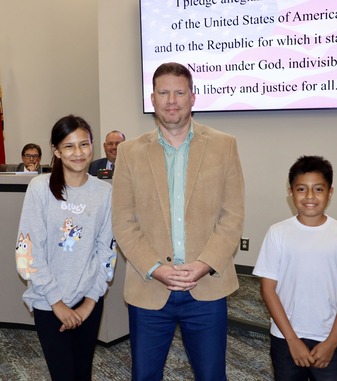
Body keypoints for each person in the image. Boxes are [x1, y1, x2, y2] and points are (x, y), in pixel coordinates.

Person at [112, 62, 245, 381]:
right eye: (163, 92)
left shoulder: (224, 145)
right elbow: (122, 221)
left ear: (193, 97)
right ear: (153, 99)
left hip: (206, 286)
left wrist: (202, 264)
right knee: (144, 376)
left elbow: (233, 217)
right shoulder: (129, 152)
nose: (172, 100)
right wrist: (157, 268)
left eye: (179, 92)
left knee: (212, 375)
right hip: (149, 287)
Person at [16, 115, 116, 381]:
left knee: (83, 373)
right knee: (63, 375)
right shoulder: (40, 188)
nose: (78, 153)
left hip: (88, 301)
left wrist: (90, 302)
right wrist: (57, 302)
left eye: (84, 144)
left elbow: (106, 251)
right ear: (56, 151)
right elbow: (28, 252)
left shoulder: (104, 192)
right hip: (49, 303)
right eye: (69, 146)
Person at [253, 155, 337, 381]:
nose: (309, 196)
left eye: (318, 189)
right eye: (301, 189)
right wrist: (293, 341)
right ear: (290, 192)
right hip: (286, 337)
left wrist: (332, 342)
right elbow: (268, 290)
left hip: (330, 338)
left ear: (330, 192)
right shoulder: (278, 233)